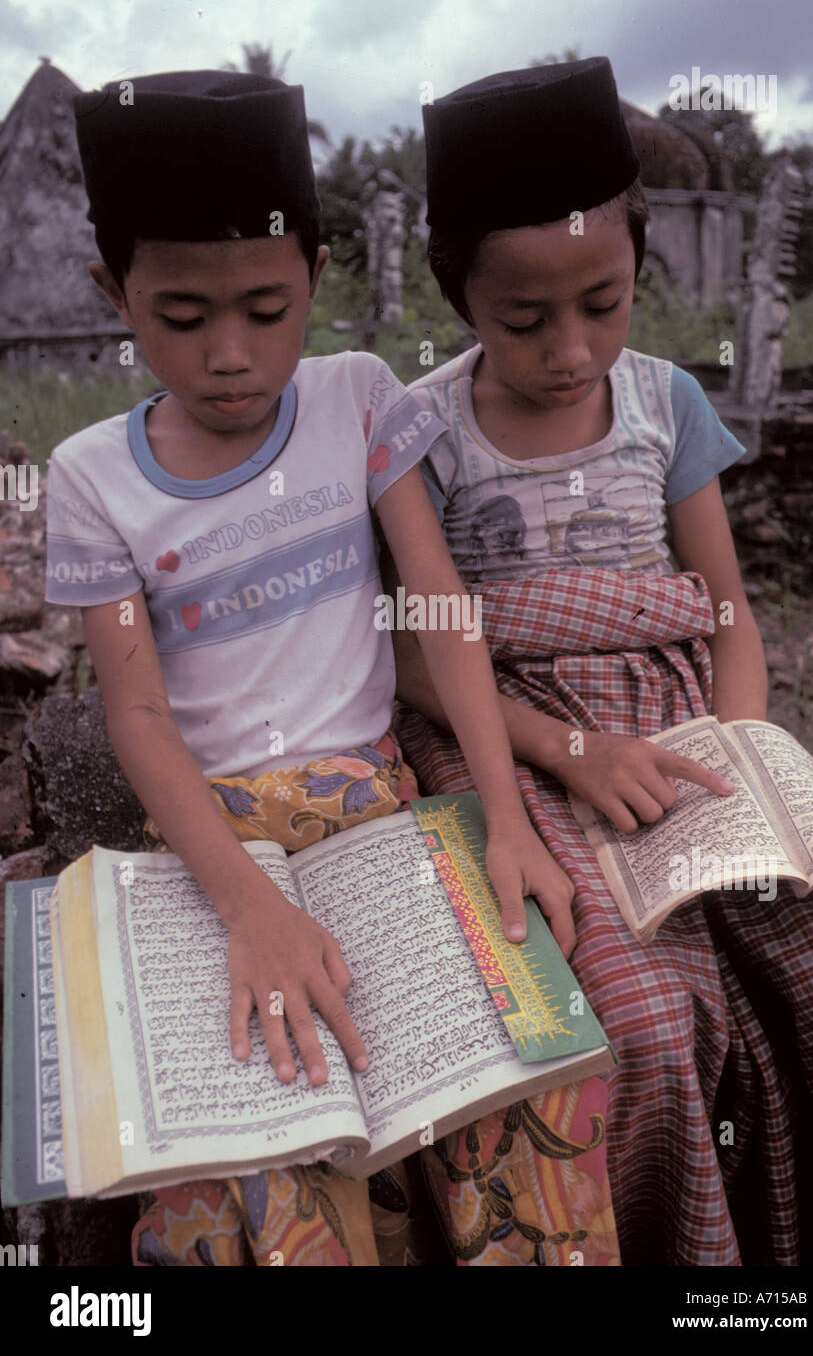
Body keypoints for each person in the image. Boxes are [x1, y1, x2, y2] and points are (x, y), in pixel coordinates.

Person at [44, 69, 618, 1266]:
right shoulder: (90, 476)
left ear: (314, 268)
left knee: (522, 1094)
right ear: (115, 294)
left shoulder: (355, 400)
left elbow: (438, 608)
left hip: (385, 815)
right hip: (215, 846)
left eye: (265, 304)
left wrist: (503, 821)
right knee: (252, 1151)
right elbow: (139, 714)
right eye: (180, 315)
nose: (230, 356)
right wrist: (248, 904)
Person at [389, 57, 813, 1265]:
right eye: (522, 318)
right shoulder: (421, 431)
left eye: (603, 300)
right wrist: (566, 749)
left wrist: (738, 753)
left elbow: (721, 614)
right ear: (458, 297)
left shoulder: (664, 405)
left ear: (638, 262)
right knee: (644, 1014)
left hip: (676, 720)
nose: (569, 347)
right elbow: (412, 653)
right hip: (514, 726)